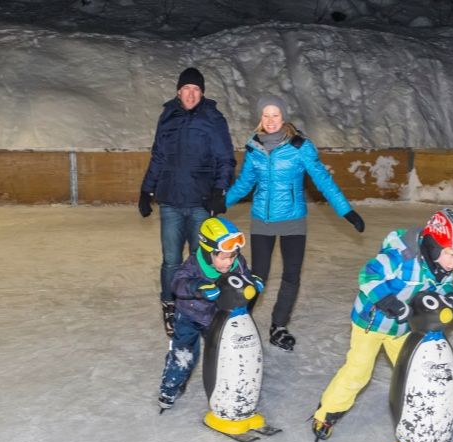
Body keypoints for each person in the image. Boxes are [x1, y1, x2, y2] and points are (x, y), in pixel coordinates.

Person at [311, 208, 453, 440]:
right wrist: (388, 301)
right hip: (370, 323)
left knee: (415, 371)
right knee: (358, 372)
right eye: (452, 255)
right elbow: (368, 275)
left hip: (401, 329)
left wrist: (450, 294)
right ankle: (327, 413)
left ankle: (417, 416)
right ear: (434, 245)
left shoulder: (439, 263)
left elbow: (443, 283)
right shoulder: (402, 255)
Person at [223, 94, 365, 352]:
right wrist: (221, 204)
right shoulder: (254, 147)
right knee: (258, 275)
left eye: (275, 115)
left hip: (293, 220)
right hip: (262, 219)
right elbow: (245, 183)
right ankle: (239, 321)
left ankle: (279, 325)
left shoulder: (300, 147)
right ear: (260, 118)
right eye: (265, 115)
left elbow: (323, 180)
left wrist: (347, 211)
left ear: (284, 116)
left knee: (291, 275)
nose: (270, 120)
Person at [138, 67, 236, 338]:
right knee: (171, 260)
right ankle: (170, 304)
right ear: (178, 91)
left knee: (201, 258)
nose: (191, 94)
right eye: (187, 89)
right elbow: (158, 156)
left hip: (200, 201)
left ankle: (200, 305)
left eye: (196, 89)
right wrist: (147, 191)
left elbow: (225, 159)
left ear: (202, 93)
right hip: (170, 200)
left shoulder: (213, 118)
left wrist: (220, 190)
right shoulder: (167, 116)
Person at [157, 216, 262, 410]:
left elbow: (244, 276)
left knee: (223, 355)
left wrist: (253, 281)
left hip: (215, 317)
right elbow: (177, 284)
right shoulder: (193, 265)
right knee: (184, 355)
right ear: (207, 253)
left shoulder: (236, 262)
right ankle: (169, 388)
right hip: (188, 317)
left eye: (233, 255)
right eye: (223, 257)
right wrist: (198, 287)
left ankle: (226, 388)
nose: (229, 262)